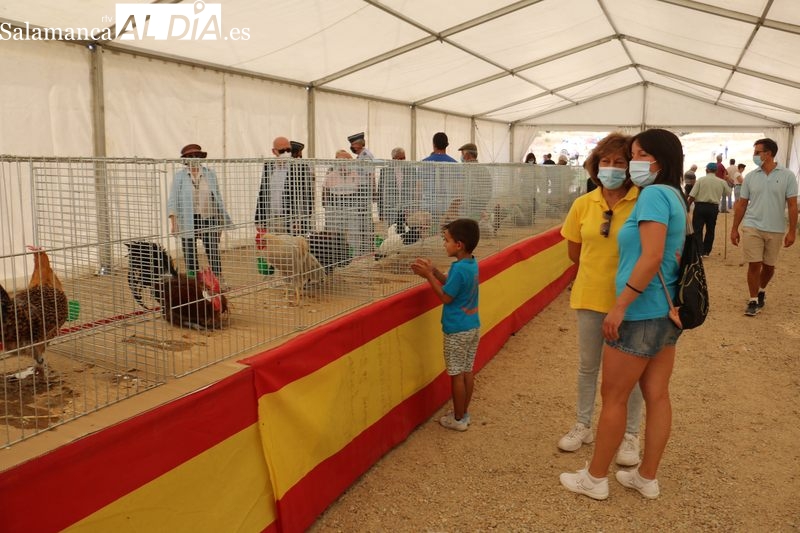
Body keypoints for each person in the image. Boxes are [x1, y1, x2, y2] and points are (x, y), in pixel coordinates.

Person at [560, 128, 686, 501]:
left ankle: (595, 478)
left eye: (638, 155)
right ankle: (646, 477)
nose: (631, 164)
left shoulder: (650, 197)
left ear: (659, 159)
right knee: (658, 395)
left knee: (614, 395)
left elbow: (649, 257)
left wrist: (620, 305)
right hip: (664, 311)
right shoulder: (675, 196)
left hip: (639, 311)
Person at [558, 132, 643, 466]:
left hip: (634, 301)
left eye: (619, 162)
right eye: (605, 162)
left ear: (630, 166)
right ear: (595, 166)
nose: (611, 168)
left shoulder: (643, 201)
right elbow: (574, 251)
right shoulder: (583, 204)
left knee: (630, 372)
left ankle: (631, 435)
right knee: (588, 366)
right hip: (591, 296)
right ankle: (583, 424)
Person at [410, 218, 480, 432]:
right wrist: (435, 272)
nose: (444, 244)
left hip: (456, 330)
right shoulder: (470, 263)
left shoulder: (459, 270)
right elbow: (451, 284)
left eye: (446, 240)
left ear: (458, 245)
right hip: (472, 326)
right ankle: (464, 413)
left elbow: (447, 297)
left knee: (456, 375)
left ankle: (457, 418)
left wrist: (428, 276)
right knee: (467, 371)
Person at [730, 138, 798, 317]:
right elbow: (742, 204)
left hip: (775, 228)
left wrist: (792, 231)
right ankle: (753, 300)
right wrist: (734, 228)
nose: (754, 156)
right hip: (752, 226)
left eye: (757, 152)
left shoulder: (787, 176)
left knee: (769, 266)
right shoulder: (751, 177)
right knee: (754, 264)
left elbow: (792, 205)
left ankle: (761, 290)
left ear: (768, 154)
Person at [167, 143, 233, 281]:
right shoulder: (179, 177)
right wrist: (174, 222)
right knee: (189, 251)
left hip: (209, 217)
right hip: (187, 218)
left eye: (196, 155)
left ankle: (218, 279)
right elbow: (173, 199)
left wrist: (220, 222)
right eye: (190, 156)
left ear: (200, 157)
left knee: (213, 250)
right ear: (185, 160)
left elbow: (217, 198)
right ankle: (194, 281)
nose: (193, 158)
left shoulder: (210, 174)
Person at [255, 136, 314, 235]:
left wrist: (302, 220)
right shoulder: (268, 166)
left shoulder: (301, 167)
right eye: (282, 151)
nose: (286, 153)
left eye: (288, 150)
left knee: (292, 248)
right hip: (271, 217)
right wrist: (259, 219)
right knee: (273, 248)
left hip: (292, 219)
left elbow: (306, 196)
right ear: (274, 151)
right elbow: (262, 192)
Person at [687, 162, 731, 256]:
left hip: (700, 207)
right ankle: (706, 251)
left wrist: (686, 207)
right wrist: (727, 180)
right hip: (713, 208)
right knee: (710, 229)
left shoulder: (700, 180)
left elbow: (692, 196)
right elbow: (728, 193)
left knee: (697, 229)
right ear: (716, 171)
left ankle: (699, 251)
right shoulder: (721, 181)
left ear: (706, 170)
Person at [346, 132, 376, 255]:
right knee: (361, 220)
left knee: (364, 220)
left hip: (364, 190)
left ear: (358, 144)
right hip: (360, 190)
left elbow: (370, 174)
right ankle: (363, 248)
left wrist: (373, 191)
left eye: (353, 144)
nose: (352, 147)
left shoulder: (365, 156)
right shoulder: (360, 156)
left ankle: (367, 248)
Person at [421, 132, 459, 221]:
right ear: (447, 145)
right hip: (447, 208)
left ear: (433, 144)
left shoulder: (423, 163)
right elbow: (458, 189)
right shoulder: (455, 164)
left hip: (428, 206)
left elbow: (419, 186)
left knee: (430, 233)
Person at [378, 147, 418, 227]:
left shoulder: (411, 170)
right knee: (392, 232)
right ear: (394, 159)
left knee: (408, 232)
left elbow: (415, 190)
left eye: (404, 158)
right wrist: (381, 212)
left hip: (407, 209)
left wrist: (414, 208)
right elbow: (380, 192)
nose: (403, 160)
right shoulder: (385, 171)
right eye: (400, 158)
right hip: (391, 209)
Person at [458, 142, 492, 220]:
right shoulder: (484, 170)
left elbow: (464, 191)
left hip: (469, 209)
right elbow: (488, 191)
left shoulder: (466, 170)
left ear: (467, 155)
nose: (462, 156)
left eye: (462, 154)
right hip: (481, 208)